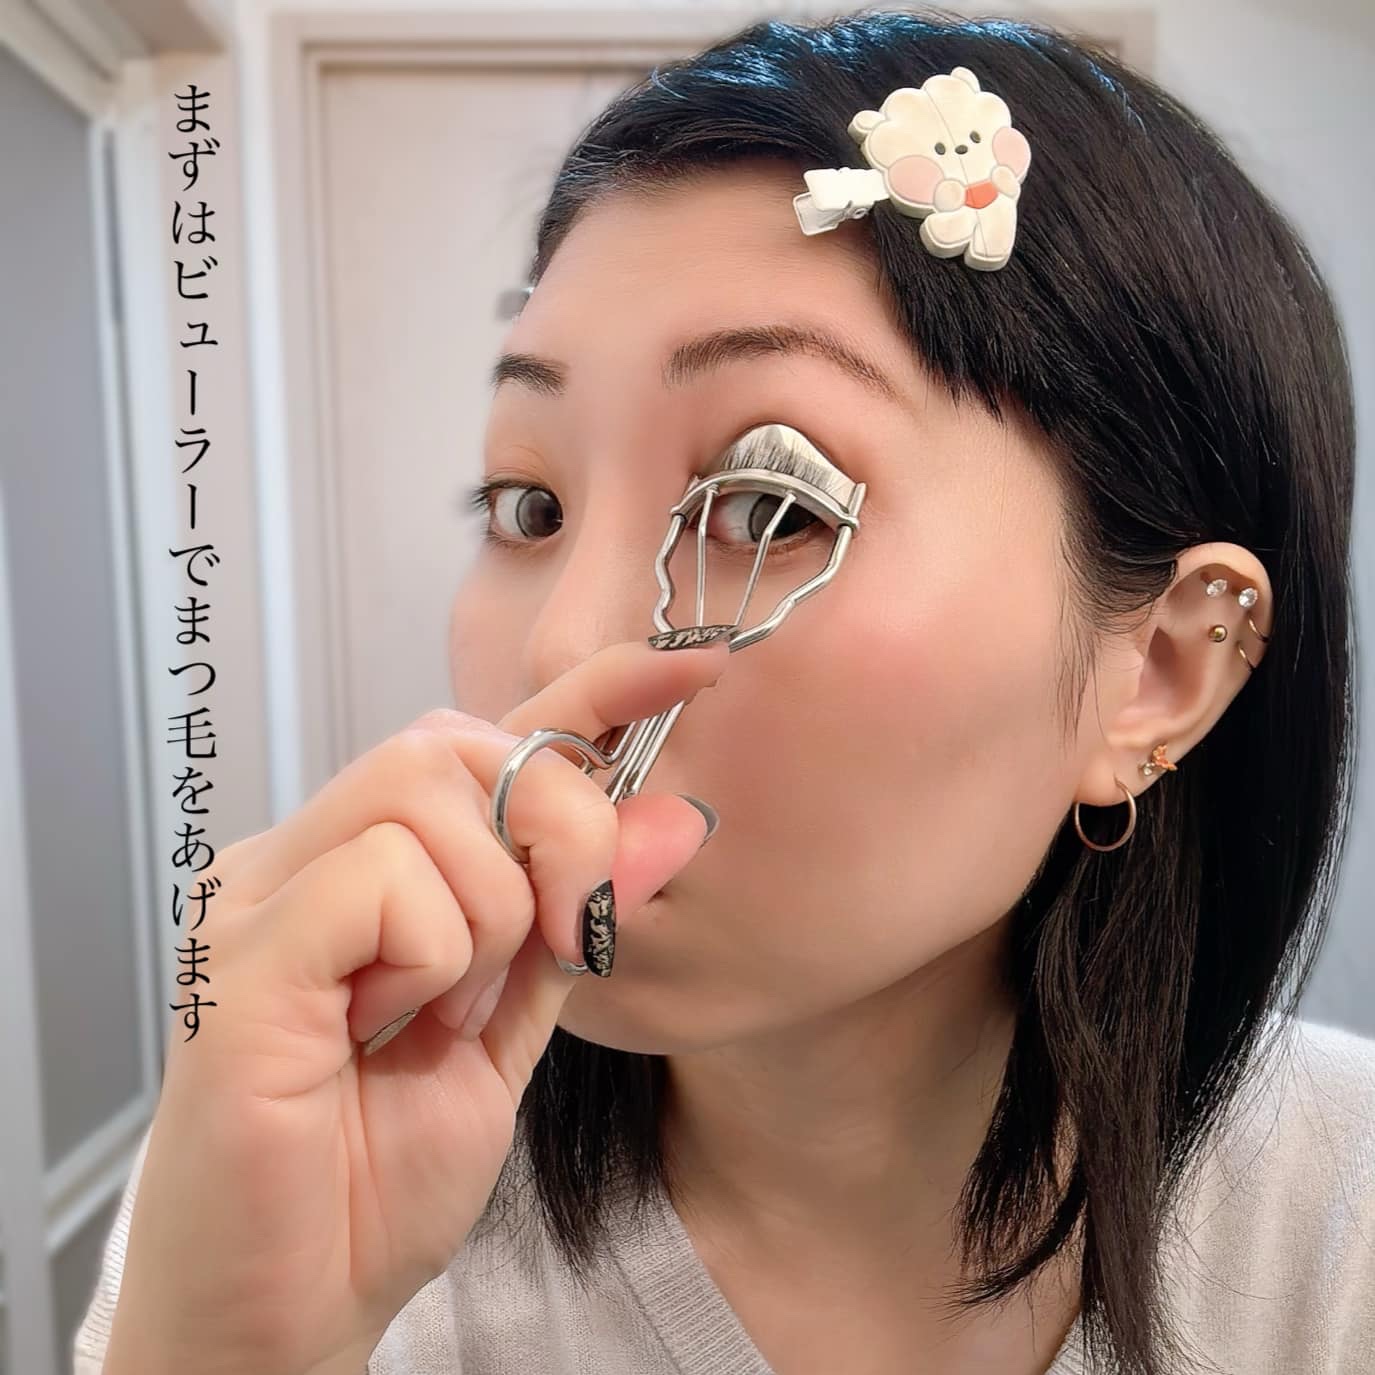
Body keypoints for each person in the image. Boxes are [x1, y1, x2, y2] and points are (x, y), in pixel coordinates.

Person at [75, 11, 1373, 1375]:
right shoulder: (314, 1189)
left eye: (769, 507)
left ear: (1159, 671)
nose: (562, 646)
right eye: (530, 504)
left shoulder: (1337, 1245)